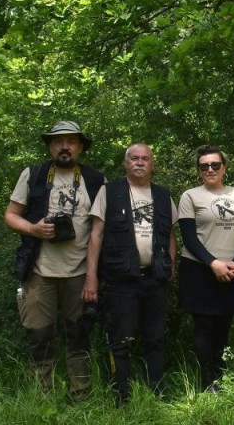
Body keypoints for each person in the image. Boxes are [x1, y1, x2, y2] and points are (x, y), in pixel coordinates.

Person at [4, 121, 105, 402]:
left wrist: (95, 276)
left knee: (79, 335)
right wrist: (33, 229)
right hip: (39, 270)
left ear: (81, 147)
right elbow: (11, 215)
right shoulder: (33, 175)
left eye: (71, 142)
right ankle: (42, 398)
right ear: (50, 146)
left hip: (80, 273)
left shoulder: (96, 180)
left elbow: (101, 229)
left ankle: (80, 397)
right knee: (39, 335)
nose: (65, 147)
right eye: (59, 142)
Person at [85, 143, 178, 405]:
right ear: (126, 163)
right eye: (134, 158)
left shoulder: (162, 195)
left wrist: (171, 264)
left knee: (155, 338)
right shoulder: (109, 191)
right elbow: (96, 235)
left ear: (152, 164)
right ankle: (120, 394)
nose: (139, 163)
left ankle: (157, 391)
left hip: (155, 279)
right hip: (121, 279)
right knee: (120, 339)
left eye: (145, 159)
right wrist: (91, 277)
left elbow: (170, 233)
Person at [178, 145, 234, 392]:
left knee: (224, 325)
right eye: (204, 166)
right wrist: (213, 264)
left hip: (232, 269)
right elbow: (189, 238)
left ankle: (220, 374)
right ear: (198, 170)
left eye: (215, 165)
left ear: (225, 168)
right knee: (204, 326)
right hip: (199, 269)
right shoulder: (191, 196)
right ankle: (205, 379)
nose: (210, 169)